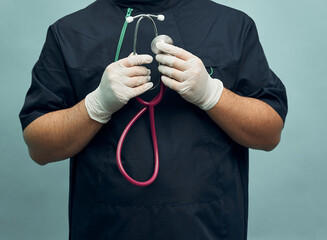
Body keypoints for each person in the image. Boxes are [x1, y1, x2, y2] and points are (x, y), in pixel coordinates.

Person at [19, 0, 288, 239]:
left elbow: (269, 134)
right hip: (107, 228)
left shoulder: (232, 26)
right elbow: (40, 148)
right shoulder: (70, 33)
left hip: (209, 226)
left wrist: (212, 94)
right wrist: (96, 105)